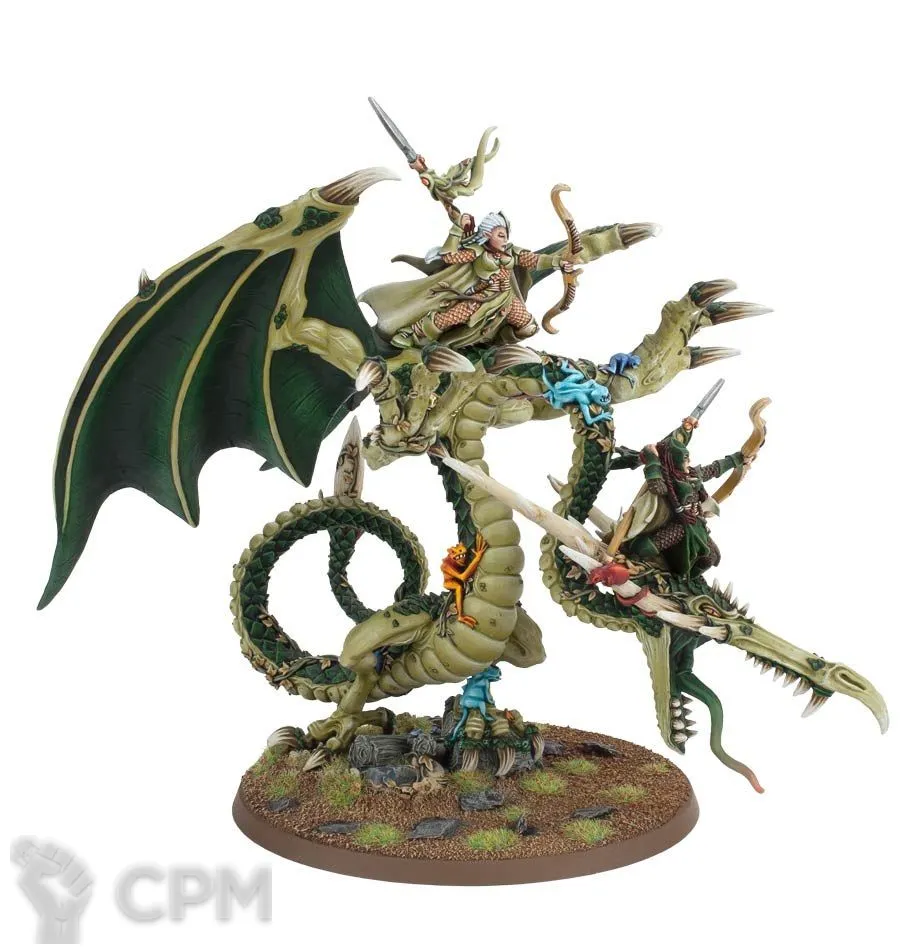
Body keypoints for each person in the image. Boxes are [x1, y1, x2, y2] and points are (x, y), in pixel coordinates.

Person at [360, 208, 576, 350]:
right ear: (487, 234)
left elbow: (534, 260)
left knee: (529, 328)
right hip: (480, 299)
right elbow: (449, 256)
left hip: (506, 300)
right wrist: (456, 229)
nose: (505, 239)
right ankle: (411, 332)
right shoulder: (477, 252)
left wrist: (558, 262)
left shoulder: (511, 251)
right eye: (500, 235)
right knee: (448, 318)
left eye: (505, 235)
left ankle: (494, 346)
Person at [622, 416, 753, 576]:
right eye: (685, 458)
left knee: (712, 557)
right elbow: (657, 487)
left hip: (696, 524)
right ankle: (633, 557)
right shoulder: (668, 481)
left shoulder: (693, 474)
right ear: (674, 461)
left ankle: (683, 580)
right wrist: (652, 460)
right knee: (644, 548)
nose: (689, 460)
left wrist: (739, 458)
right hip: (679, 526)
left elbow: (714, 469)